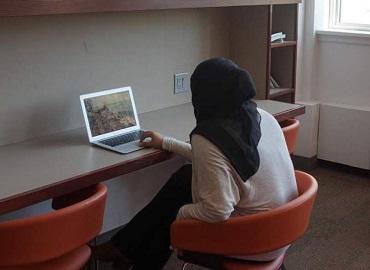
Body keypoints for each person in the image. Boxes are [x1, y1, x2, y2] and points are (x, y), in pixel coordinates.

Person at [93, 58, 298, 270]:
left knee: (170, 216)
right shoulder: (259, 117)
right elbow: (216, 159)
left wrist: (180, 215)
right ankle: (124, 249)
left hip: (250, 241)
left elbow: (218, 211)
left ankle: (128, 252)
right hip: (281, 228)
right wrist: (166, 142)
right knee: (185, 177)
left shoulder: (209, 137)